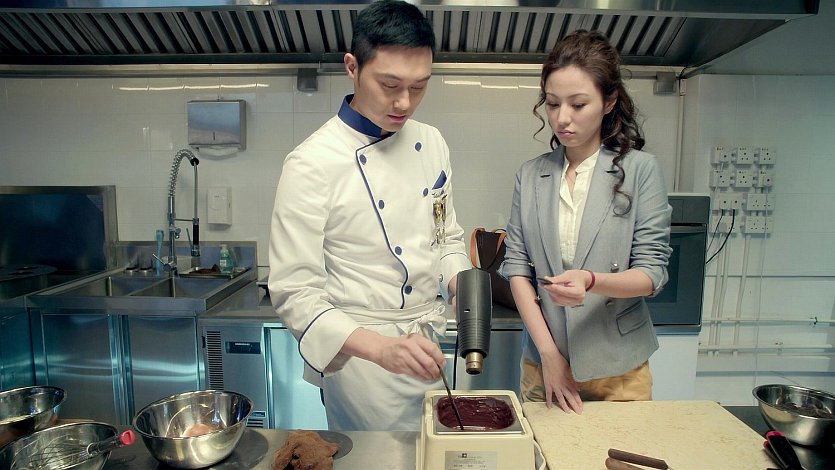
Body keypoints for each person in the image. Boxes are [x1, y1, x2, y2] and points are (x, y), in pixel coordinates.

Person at [268, 0, 470, 431]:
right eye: (389, 84)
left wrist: (460, 283)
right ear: (352, 67)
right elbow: (294, 292)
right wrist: (381, 350)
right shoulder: (311, 162)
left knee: (436, 452)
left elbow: (446, 238)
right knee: (377, 457)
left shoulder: (432, 143)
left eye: (419, 86)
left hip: (428, 343)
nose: (404, 102)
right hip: (362, 359)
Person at [498, 30, 672, 414]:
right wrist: (550, 356)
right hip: (545, 363)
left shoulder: (640, 170)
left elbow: (651, 273)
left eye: (578, 104)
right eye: (552, 103)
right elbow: (518, 270)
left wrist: (592, 281)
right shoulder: (530, 175)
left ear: (609, 101)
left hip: (620, 369)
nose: (562, 118)